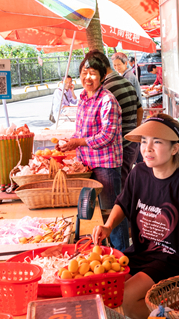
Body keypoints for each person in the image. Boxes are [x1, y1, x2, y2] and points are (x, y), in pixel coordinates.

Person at [92, 113, 179, 319]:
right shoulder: (138, 172)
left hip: (174, 259)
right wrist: (108, 226)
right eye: (144, 141)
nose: (147, 148)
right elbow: (123, 202)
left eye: (157, 142)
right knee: (108, 289)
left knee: (124, 297)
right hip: (142, 253)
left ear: (174, 148)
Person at [60, 52, 129, 252]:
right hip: (87, 163)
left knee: (111, 211)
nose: (87, 77)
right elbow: (80, 131)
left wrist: (79, 141)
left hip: (105, 164)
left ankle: (123, 252)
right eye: (84, 73)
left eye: (92, 73)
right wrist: (70, 142)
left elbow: (107, 135)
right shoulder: (83, 98)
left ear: (101, 77)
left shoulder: (107, 100)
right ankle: (106, 250)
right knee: (93, 210)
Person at [94, 51, 143, 187]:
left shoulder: (107, 89)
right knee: (125, 184)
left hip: (121, 147)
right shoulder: (124, 82)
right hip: (130, 144)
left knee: (119, 190)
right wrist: (134, 133)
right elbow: (140, 109)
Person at [112, 52, 144, 120]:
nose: (116, 67)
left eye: (119, 64)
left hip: (134, 111)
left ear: (126, 63)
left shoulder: (128, 76)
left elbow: (127, 97)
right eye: (114, 65)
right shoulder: (123, 75)